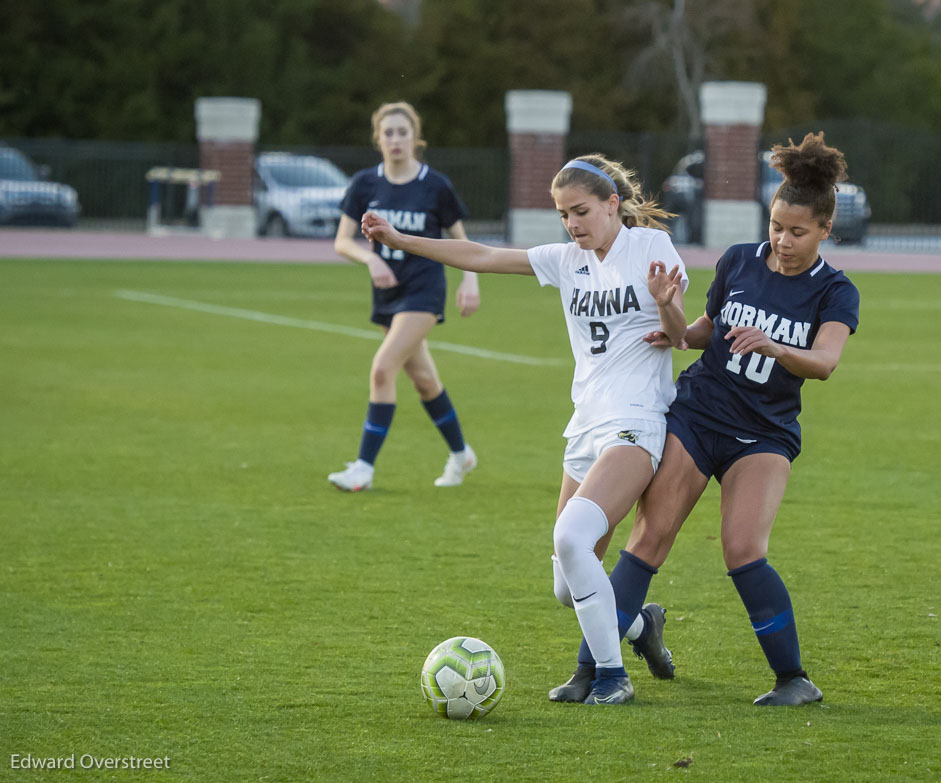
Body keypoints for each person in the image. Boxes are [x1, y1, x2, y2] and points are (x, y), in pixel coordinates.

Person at [363, 154, 688, 705]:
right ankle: (640, 627)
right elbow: (483, 254)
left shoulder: (651, 248)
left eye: (581, 211)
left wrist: (665, 305)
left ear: (613, 204)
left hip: (635, 422)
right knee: (567, 584)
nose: (572, 224)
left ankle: (612, 678)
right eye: (563, 215)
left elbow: (678, 334)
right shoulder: (568, 260)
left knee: (570, 538)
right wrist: (401, 239)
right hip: (584, 426)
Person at [553, 133, 860, 706]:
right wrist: (672, 326)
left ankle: (794, 680)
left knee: (743, 549)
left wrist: (775, 349)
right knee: (649, 539)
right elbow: (704, 330)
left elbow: (825, 362)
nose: (782, 240)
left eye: (797, 232)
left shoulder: (835, 291)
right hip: (697, 414)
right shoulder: (741, 259)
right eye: (775, 226)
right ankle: (591, 670)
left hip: (764, 434)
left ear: (824, 230)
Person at [327, 102, 481, 492]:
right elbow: (342, 242)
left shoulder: (435, 185)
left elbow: (463, 243)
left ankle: (363, 466)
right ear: (377, 138)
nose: (395, 139)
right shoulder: (365, 184)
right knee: (426, 382)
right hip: (387, 294)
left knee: (382, 368)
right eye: (388, 133)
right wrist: (370, 261)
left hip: (424, 291)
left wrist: (470, 281)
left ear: (416, 138)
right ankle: (461, 454)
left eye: (403, 132)